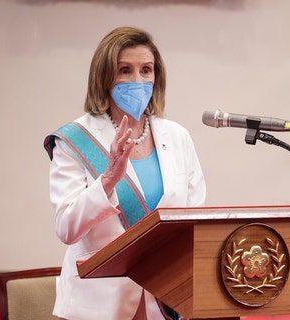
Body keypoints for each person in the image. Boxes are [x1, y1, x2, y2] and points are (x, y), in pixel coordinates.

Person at [43, 26, 206, 320]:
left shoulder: (177, 136)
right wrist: (107, 181)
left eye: (146, 70)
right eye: (125, 70)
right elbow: (66, 228)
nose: (138, 80)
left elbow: (193, 221)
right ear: (105, 77)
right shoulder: (75, 140)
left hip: (165, 298)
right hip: (97, 305)